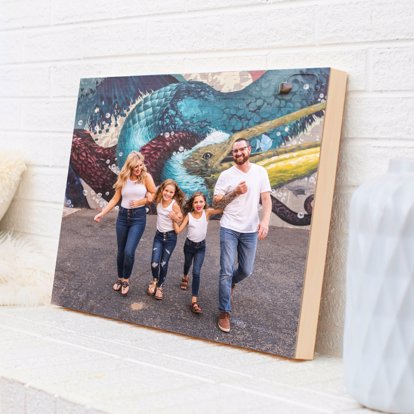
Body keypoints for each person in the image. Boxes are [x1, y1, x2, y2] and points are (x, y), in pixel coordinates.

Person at [213, 138, 272, 333]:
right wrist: (235, 192)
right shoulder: (226, 175)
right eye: (234, 151)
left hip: (250, 230)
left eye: (241, 149)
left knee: (246, 270)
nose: (238, 153)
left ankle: (232, 283)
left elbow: (266, 199)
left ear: (249, 150)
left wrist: (264, 221)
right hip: (229, 227)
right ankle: (224, 311)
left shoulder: (260, 172)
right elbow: (217, 204)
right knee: (226, 270)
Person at [94, 151, 156, 296]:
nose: (139, 169)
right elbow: (115, 199)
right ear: (129, 166)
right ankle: (120, 278)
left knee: (129, 251)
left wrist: (144, 200)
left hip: (138, 218)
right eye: (135, 166)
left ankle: (126, 279)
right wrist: (102, 213)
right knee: (121, 251)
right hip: (122, 217)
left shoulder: (146, 177)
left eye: (140, 165)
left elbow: (153, 194)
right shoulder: (123, 178)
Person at [173, 192, 223, 314]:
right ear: (192, 204)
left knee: (196, 272)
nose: (199, 204)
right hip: (189, 246)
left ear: (205, 202)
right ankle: (185, 276)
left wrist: (226, 197)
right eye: (196, 202)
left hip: (201, 247)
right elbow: (178, 230)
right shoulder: (188, 216)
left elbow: (221, 209)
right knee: (187, 265)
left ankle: (194, 301)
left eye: (201, 201)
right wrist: (173, 219)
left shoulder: (207, 213)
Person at [147, 179, 184, 300]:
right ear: (162, 190)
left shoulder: (174, 204)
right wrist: (147, 194)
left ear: (174, 194)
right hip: (158, 236)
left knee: (163, 264)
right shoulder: (158, 200)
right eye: (166, 190)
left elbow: (180, 219)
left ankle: (160, 287)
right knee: (154, 263)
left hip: (170, 238)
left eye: (171, 192)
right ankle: (154, 280)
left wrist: (175, 217)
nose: (168, 194)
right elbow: (149, 195)